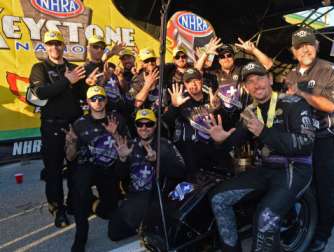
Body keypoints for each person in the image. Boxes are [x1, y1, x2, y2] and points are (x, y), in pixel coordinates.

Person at [207, 62, 315, 252]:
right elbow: (233, 143)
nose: (256, 85)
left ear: (270, 79)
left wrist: (264, 131)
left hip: (294, 169)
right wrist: (220, 140)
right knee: (218, 197)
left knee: (264, 217)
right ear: (246, 87)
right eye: (250, 81)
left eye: (260, 78)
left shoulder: (294, 103)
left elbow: (307, 144)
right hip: (266, 169)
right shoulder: (250, 111)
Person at [285, 27, 334, 252]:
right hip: (298, 140)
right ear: (293, 51)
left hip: (323, 139)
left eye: (309, 44)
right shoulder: (290, 75)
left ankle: (322, 234)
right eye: (299, 47)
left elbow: (331, 105)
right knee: (297, 185)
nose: (305, 49)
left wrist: (301, 94)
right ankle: (302, 224)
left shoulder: (331, 69)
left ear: (317, 45)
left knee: (323, 189)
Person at [29, 30, 86, 228]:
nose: (55, 47)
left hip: (73, 127)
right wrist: (66, 81)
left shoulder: (74, 67)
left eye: (58, 43)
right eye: (50, 44)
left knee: (75, 170)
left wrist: (88, 84)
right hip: (52, 127)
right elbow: (41, 93)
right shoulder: (40, 67)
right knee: (53, 172)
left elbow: (82, 94)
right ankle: (58, 209)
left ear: (64, 46)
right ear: (46, 46)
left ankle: (72, 204)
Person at [65, 86, 130, 252]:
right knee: (80, 191)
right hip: (87, 167)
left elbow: (126, 148)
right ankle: (81, 236)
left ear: (106, 100)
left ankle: (93, 202)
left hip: (109, 169)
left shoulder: (117, 119)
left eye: (101, 98)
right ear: (88, 102)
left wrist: (114, 134)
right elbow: (70, 157)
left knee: (109, 212)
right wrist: (71, 142)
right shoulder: (79, 124)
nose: (98, 102)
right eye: (93, 99)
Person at [108, 109, 186, 241]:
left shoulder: (165, 145)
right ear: (136, 126)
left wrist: (157, 162)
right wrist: (122, 159)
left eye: (148, 124)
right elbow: (119, 176)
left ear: (155, 125)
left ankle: (148, 225)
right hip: (137, 196)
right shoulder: (129, 145)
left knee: (162, 234)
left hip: (159, 197)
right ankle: (143, 225)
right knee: (114, 233)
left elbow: (181, 172)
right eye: (140, 124)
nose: (144, 128)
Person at [163, 67, 231, 175]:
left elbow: (225, 123)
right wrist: (174, 106)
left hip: (209, 149)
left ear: (202, 81)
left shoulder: (212, 98)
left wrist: (218, 108)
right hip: (186, 150)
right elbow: (165, 122)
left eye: (196, 80)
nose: (193, 84)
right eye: (189, 81)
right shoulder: (180, 100)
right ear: (184, 84)